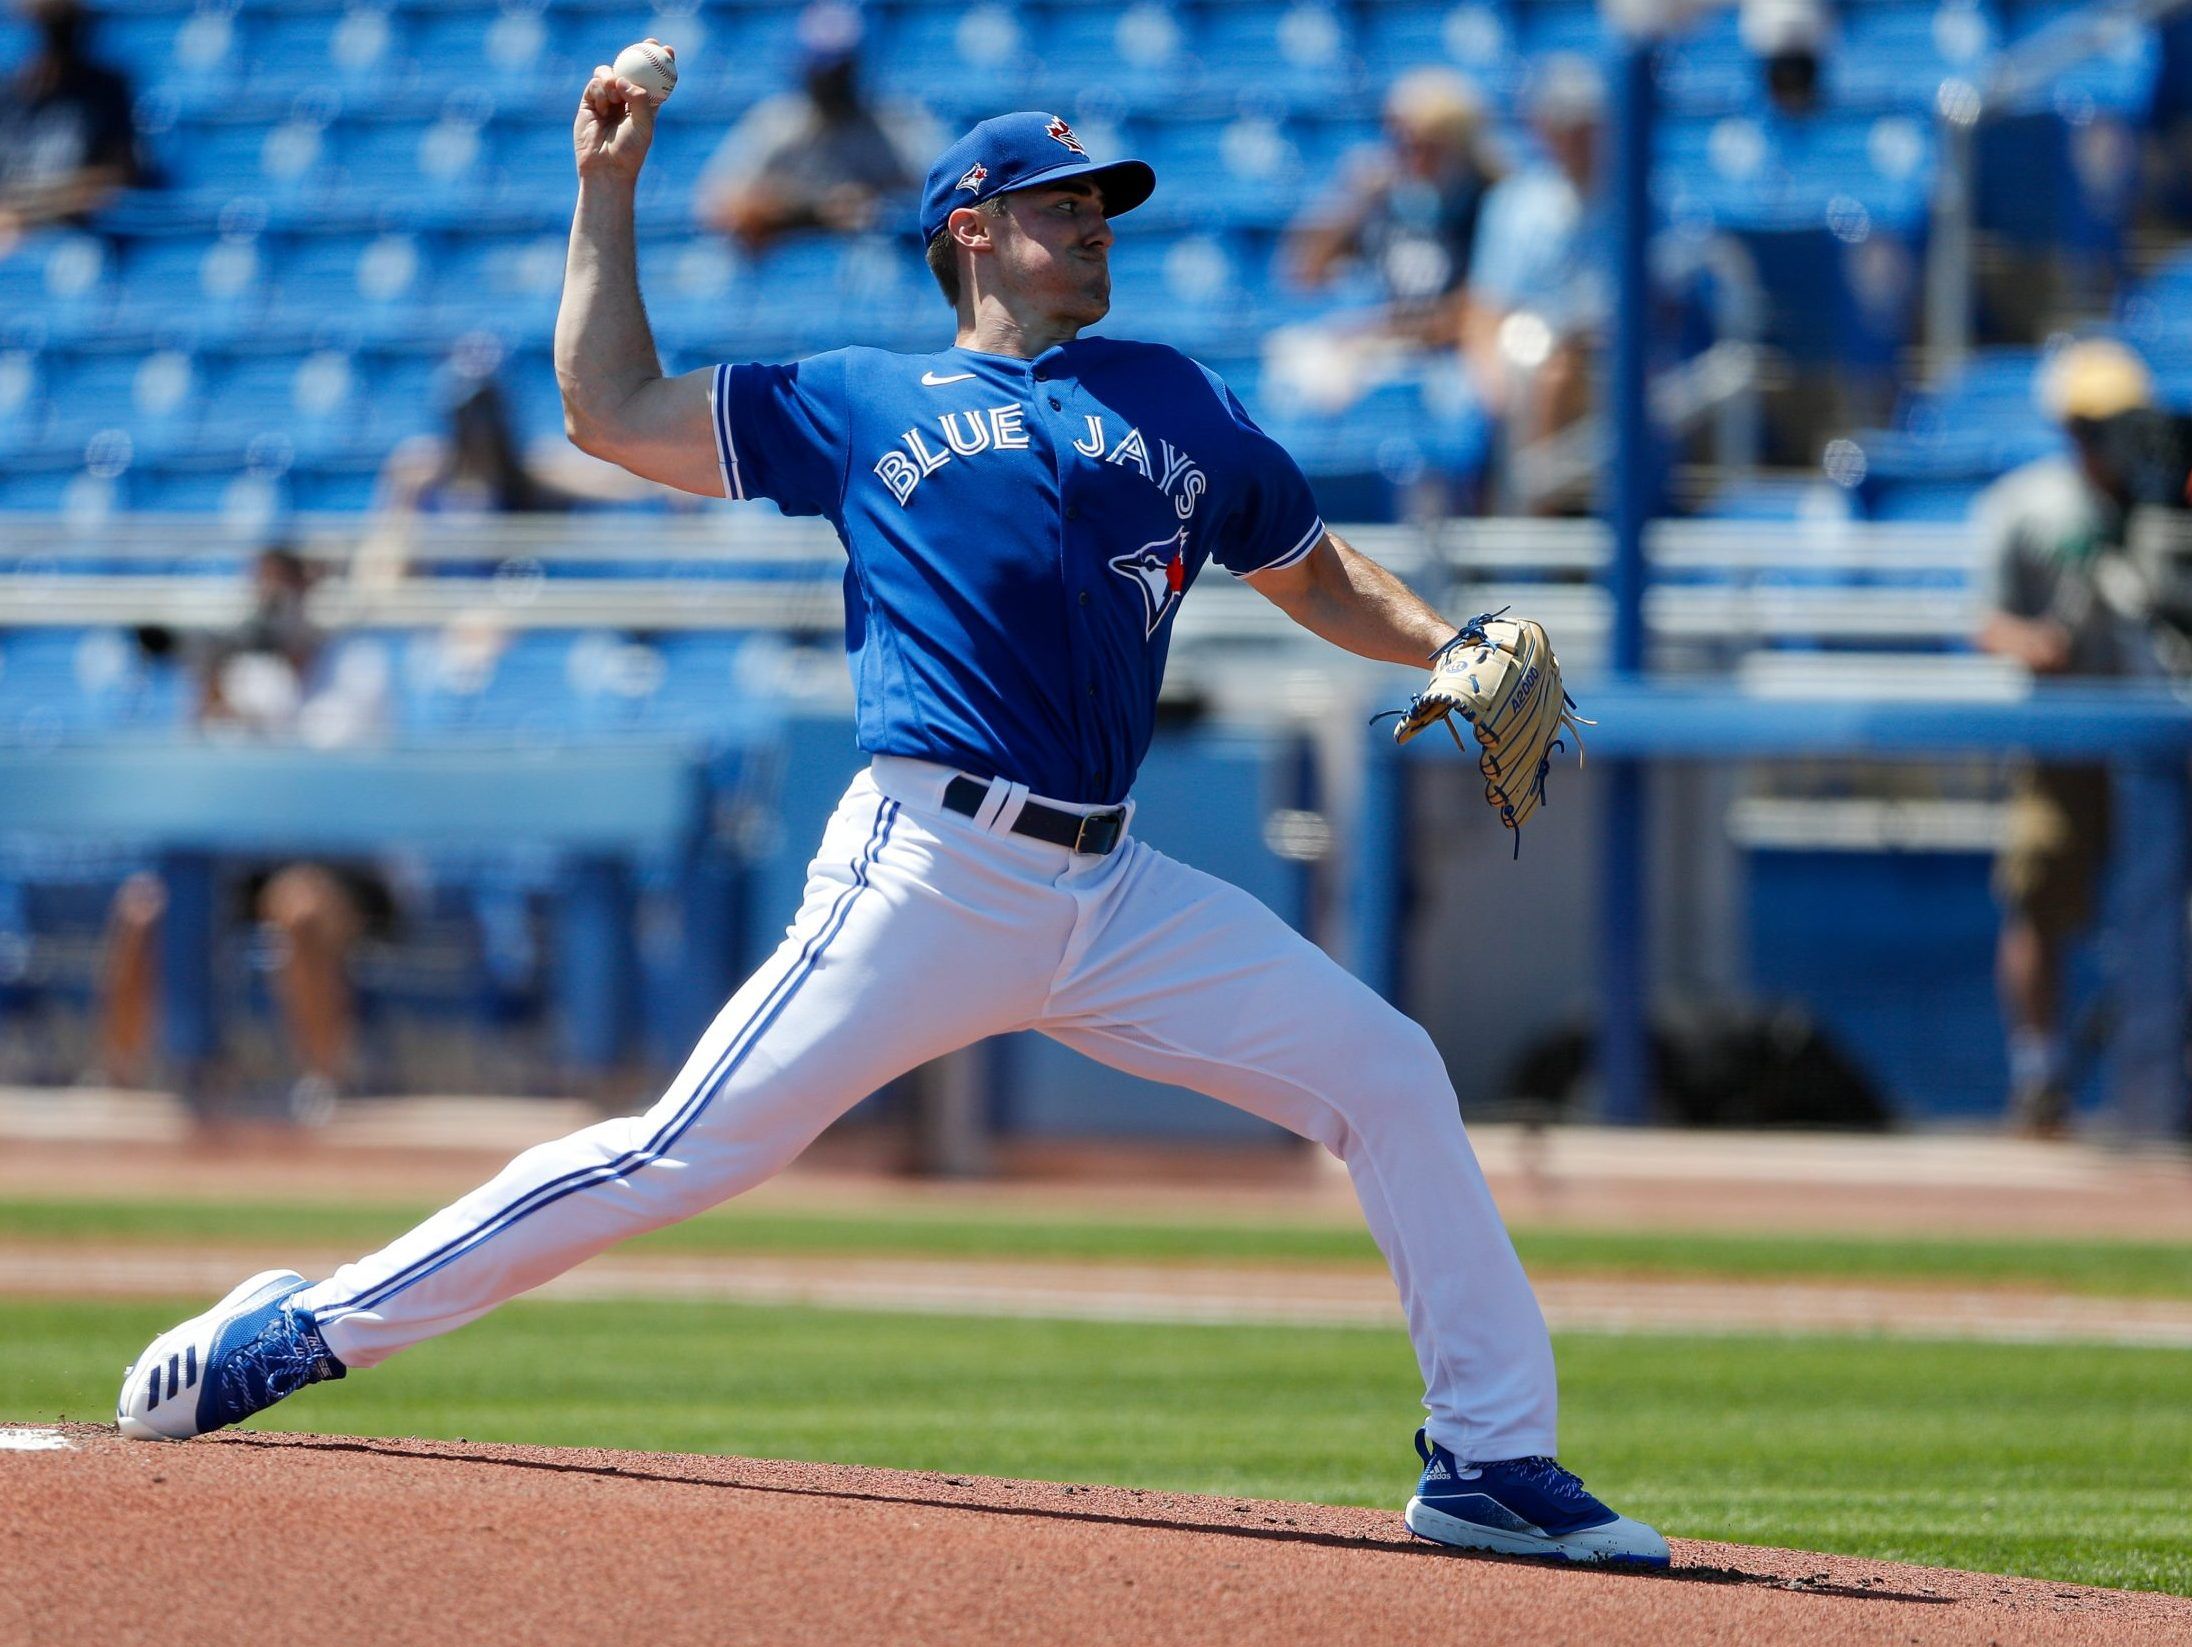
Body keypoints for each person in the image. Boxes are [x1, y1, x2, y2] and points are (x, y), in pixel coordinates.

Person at [115, 76, 1668, 1571]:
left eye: (1105, 202)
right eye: (1061, 203)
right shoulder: (866, 396)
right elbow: (609, 409)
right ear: (971, 229)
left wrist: (1442, 639)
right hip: (928, 869)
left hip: (1113, 889)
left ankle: (1487, 1460)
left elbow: (1313, 567)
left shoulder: (1174, 395)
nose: (1097, 223)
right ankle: (308, 1325)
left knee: (1389, 1072)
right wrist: (607, 190)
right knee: (676, 1152)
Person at [93, 547, 394, 1125]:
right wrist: (209, 686)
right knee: (145, 907)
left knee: (298, 905)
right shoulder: (253, 669)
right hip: (257, 855)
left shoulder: (356, 665)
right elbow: (206, 766)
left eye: (284, 593)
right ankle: (120, 1082)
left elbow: (328, 782)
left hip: (352, 863)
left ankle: (325, 1083)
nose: (273, 608)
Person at [1974, 339, 2155, 1137]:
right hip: (2062, 737)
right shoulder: (2028, 504)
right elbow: (1986, 622)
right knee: (2039, 895)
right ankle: (2039, 1071)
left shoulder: (2159, 501)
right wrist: (2035, 644)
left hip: (2157, 739)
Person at [1461, 54, 1607, 513]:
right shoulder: (1515, 203)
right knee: (1545, 367)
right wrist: (1490, 374)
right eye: (1563, 124)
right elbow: (1486, 308)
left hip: (1616, 354)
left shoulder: (1640, 200)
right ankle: (1536, 527)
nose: (1574, 138)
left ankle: (1535, 528)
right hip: (1535, 349)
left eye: (1585, 124)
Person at [1283, 67, 1501, 353]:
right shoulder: (1384, 200)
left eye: (1428, 146)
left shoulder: (1489, 201)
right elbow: (1305, 274)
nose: (1413, 159)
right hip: (1392, 346)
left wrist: (1374, 331)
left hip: (1463, 353)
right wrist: (1352, 199)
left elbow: (1482, 309)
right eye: (1402, 144)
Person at [692, 2, 937, 251]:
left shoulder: (891, 124)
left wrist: (872, 203)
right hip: (784, 263)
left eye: (840, 71)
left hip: (869, 263)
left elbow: (938, 197)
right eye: (824, 71)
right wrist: (812, 211)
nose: (831, 82)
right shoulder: (776, 123)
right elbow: (718, 206)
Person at [0, 0, 141, 242]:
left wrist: (31, 206)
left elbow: (117, 177)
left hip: (74, 239)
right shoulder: (7, 97)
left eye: (58, 28)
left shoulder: (104, 91)